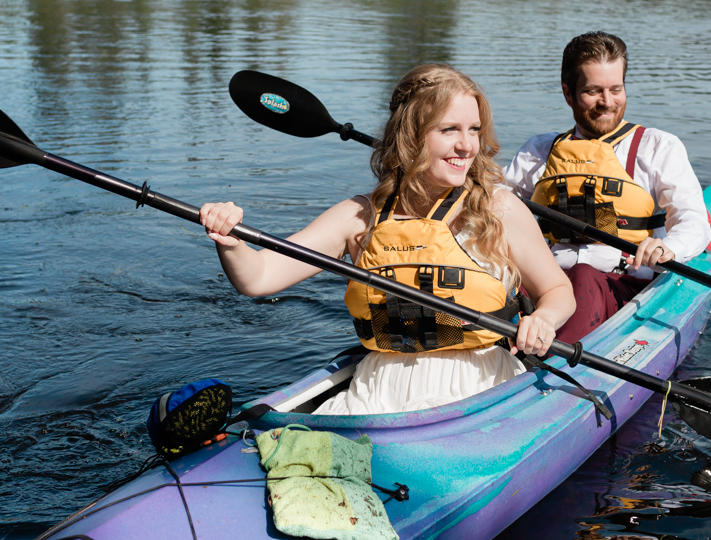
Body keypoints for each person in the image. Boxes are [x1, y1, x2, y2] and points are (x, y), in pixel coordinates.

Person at [200, 63, 575, 415]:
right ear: (411, 135)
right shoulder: (359, 216)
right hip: (377, 390)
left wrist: (543, 319)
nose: (467, 146)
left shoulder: (499, 210)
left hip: (477, 386)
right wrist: (230, 241)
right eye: (449, 130)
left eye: (474, 129)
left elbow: (558, 290)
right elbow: (259, 277)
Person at [504, 32, 711, 342]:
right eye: (593, 91)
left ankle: (549, 364)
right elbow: (490, 204)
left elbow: (694, 221)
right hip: (549, 285)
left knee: (584, 274)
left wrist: (670, 248)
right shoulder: (539, 151)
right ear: (568, 93)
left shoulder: (657, 148)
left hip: (624, 286)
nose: (607, 102)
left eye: (616, 89)